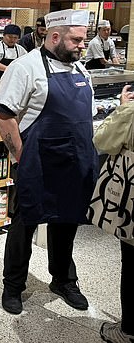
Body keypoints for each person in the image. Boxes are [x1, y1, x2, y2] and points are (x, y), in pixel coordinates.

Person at [0, 9, 97, 315]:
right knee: (23, 227)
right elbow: (4, 115)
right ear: (55, 37)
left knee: (66, 222)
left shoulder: (81, 70)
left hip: (74, 161)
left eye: (84, 39)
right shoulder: (25, 68)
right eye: (77, 40)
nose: (82, 46)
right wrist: (21, 157)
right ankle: (13, 285)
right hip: (36, 162)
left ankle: (64, 280)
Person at [93, 84, 134, 343]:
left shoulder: (130, 112)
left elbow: (102, 140)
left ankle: (128, 330)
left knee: (132, 264)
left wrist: (121, 107)